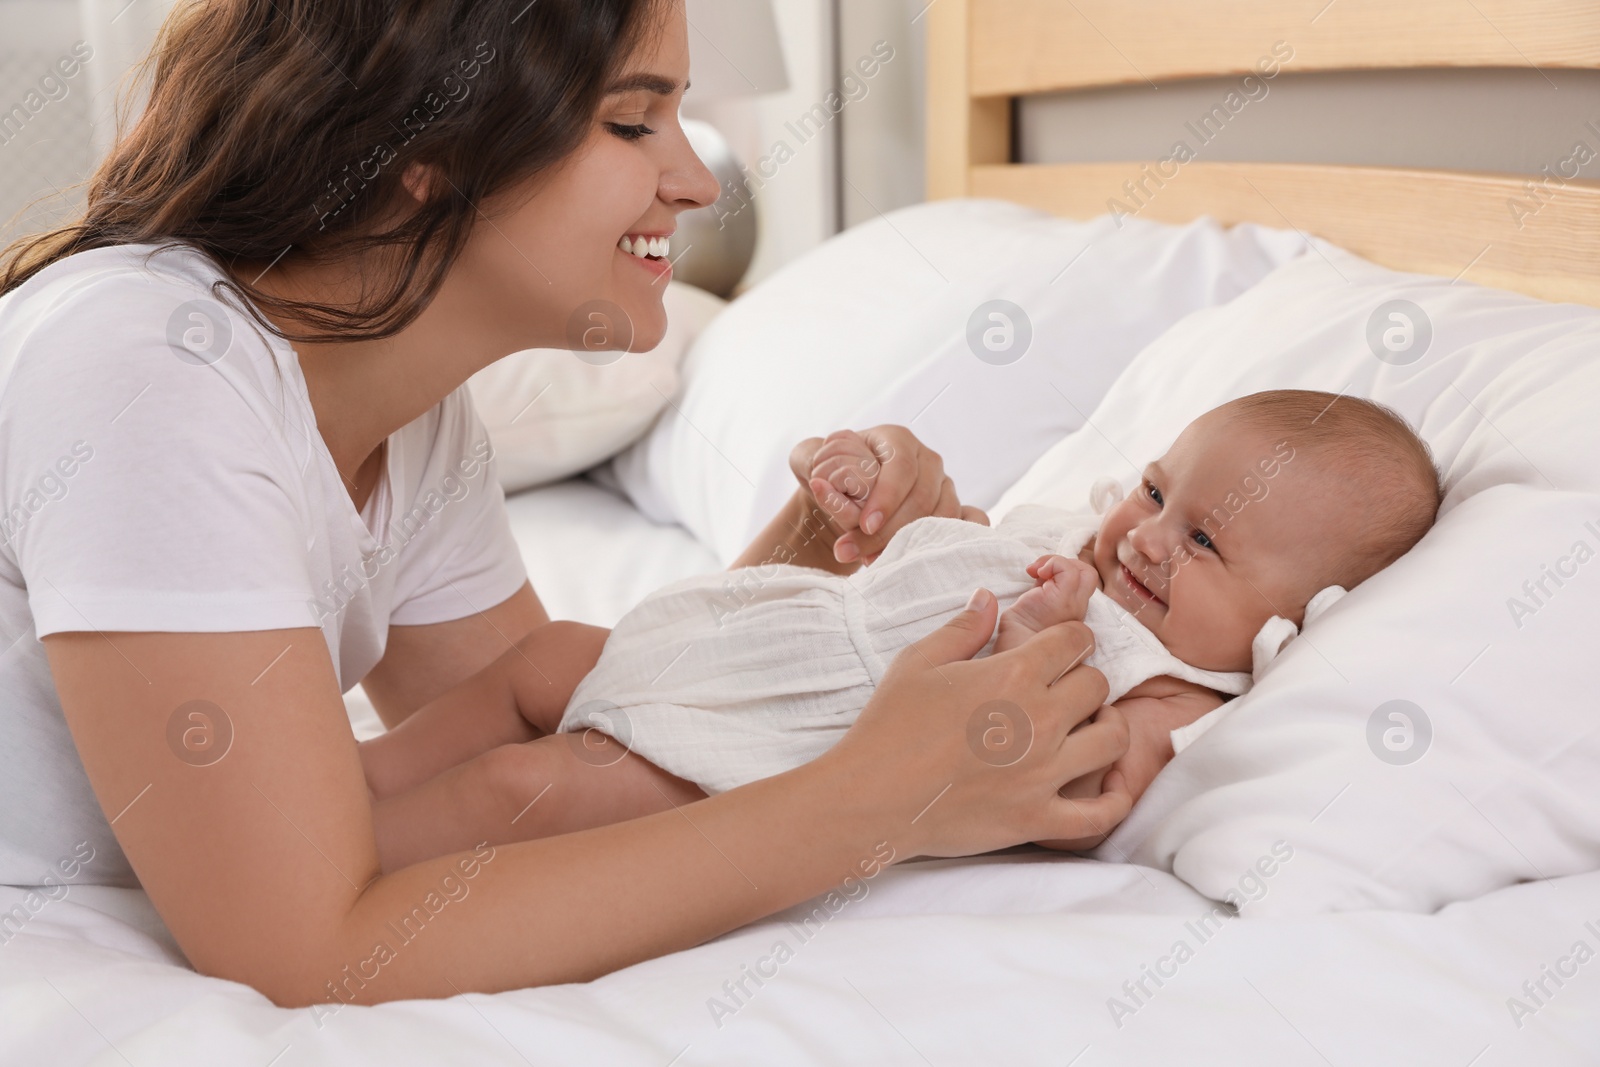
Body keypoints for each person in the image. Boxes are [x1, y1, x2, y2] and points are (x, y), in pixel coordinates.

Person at [0, 0, 1131, 1008]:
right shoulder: (152, 359)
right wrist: (882, 794)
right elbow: (306, 952)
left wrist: (822, 562)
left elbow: (586, 719)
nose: (694, 180)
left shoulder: (411, 416)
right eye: (634, 123)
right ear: (431, 144)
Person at [362, 390, 1442, 861]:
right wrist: (880, 505)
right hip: (748, 637)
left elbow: (1085, 798)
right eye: (1156, 491)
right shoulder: (1083, 542)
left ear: (1286, 622)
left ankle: (331, 861)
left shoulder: (1172, 687)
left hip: (778, 747)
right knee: (546, 658)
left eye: (1203, 542)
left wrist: (1034, 651)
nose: (1150, 537)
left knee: (531, 785)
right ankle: (347, 784)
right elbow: (951, 557)